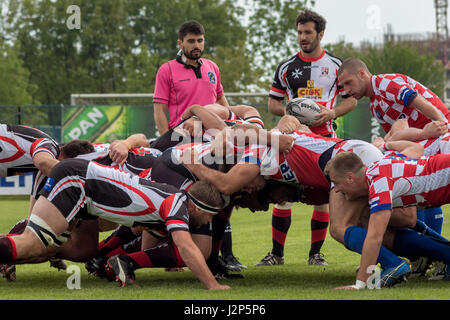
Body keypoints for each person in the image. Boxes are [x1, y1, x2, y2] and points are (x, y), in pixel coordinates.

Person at [0, 158, 230, 290]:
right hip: (79, 181)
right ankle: (19, 239)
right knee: (34, 244)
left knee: (81, 251)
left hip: (86, 195)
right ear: (198, 208)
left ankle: (10, 254)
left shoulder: (172, 201)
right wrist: (213, 285)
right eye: (210, 216)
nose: (208, 221)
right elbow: (186, 246)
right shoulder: (178, 203)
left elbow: (136, 231)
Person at [262, 9, 358, 266]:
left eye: (308, 32)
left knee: (324, 196)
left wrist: (332, 112)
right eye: (300, 32)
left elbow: (352, 101)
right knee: (283, 194)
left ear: (320, 34)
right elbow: (272, 103)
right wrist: (291, 112)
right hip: (292, 140)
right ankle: (276, 255)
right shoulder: (286, 67)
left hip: (325, 139)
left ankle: (315, 254)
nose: (302, 37)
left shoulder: (336, 66)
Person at [325, 151, 450, 289]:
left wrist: (359, 284)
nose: (335, 190)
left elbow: (375, 237)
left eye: (336, 183)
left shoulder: (379, 181)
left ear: (350, 177)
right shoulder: (376, 174)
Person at [336, 57, 450, 138]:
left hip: (441, 130)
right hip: (426, 137)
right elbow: (395, 135)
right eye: (343, 86)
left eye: (349, 82)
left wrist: (445, 128)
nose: (347, 90)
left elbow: (421, 103)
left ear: (362, 74)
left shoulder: (385, 84)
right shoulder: (374, 108)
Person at [152, 20, 229, 135]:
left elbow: (220, 100)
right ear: (180, 43)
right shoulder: (166, 70)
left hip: (213, 134)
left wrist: (229, 124)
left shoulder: (212, 67)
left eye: (200, 40)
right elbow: (159, 110)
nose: (196, 46)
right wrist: (166, 139)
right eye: (191, 41)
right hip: (182, 136)